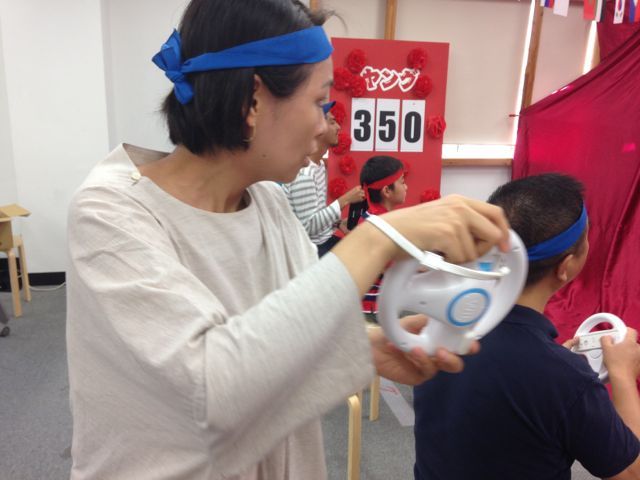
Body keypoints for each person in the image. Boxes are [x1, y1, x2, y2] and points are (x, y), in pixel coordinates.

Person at [65, 1, 510, 479]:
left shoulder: (268, 204)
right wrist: (378, 237)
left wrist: (365, 346)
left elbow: (280, 338)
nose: (324, 127)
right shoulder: (110, 215)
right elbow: (213, 391)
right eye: (319, 102)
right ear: (253, 101)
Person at [413, 173, 640, 480]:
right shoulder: (566, 380)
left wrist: (554, 363)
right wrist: (623, 375)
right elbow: (632, 472)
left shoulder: (439, 331)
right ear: (566, 267)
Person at [283, 103, 363, 257]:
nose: (338, 127)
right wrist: (345, 200)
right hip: (311, 251)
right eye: (332, 122)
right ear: (317, 129)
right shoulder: (305, 174)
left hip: (324, 243)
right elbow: (308, 228)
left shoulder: (318, 165)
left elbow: (314, 215)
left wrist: (338, 223)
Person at [348, 155, 408, 316]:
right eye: (402, 182)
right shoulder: (380, 225)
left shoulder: (372, 218)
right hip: (374, 308)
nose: (406, 187)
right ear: (387, 191)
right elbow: (390, 266)